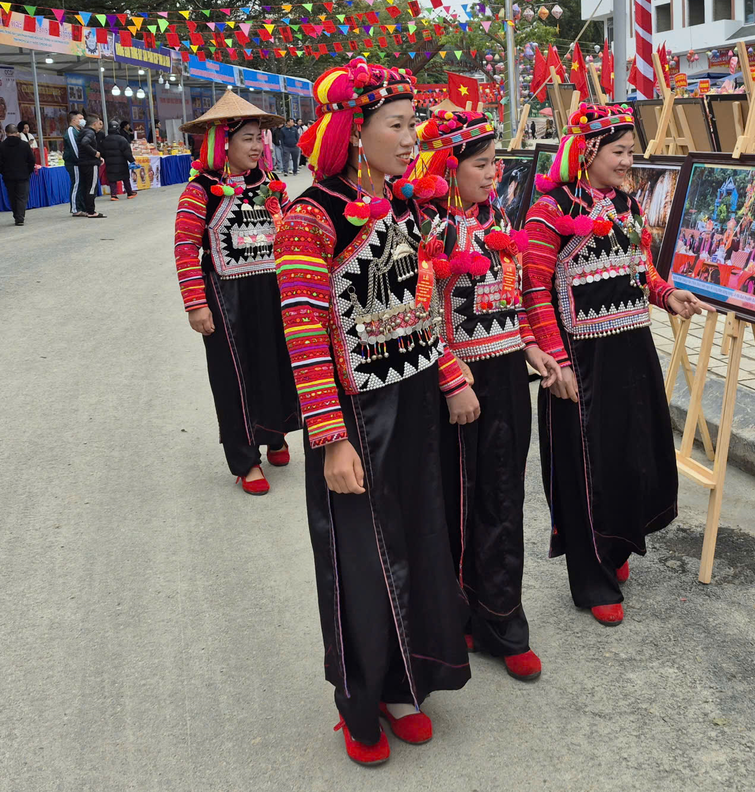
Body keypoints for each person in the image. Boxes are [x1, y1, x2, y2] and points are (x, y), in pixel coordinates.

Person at [273, 57, 471, 766]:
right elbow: (302, 335)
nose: (413, 136)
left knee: (419, 540)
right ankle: (361, 699)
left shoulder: (408, 208)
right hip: (356, 416)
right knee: (361, 559)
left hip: (414, 401)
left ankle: (406, 684)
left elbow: (423, 307)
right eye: (398, 124)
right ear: (356, 133)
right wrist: (329, 438)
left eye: (413, 122)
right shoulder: (308, 218)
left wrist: (450, 376)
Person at [522, 104, 706, 627]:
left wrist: (668, 295)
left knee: (631, 456)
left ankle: (618, 546)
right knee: (588, 469)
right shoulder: (548, 211)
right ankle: (591, 576)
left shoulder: (626, 204)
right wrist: (557, 363)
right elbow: (533, 289)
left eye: (631, 152)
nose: (629, 162)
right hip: (582, 360)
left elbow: (639, 267)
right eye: (619, 152)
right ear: (587, 153)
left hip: (631, 348)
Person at [409, 109, 562, 683]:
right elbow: (421, 315)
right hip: (456, 388)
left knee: (502, 501)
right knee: (455, 503)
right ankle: (460, 618)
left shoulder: (497, 216)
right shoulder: (424, 229)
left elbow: (513, 295)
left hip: (503, 380)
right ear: (450, 167)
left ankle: (501, 618)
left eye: (496, 162)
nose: (495, 172)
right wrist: (451, 377)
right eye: (482, 164)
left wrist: (531, 346)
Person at [173, 89, 299, 495]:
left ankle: (276, 433)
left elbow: (295, 236)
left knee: (277, 365)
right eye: (248, 138)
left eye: (260, 137)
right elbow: (185, 248)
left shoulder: (273, 186)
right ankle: (245, 459)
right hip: (226, 300)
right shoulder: (199, 192)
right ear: (223, 143)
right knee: (235, 377)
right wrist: (196, 304)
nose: (258, 145)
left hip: (274, 292)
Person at [0, 124, 36, 226]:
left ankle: (16, 215)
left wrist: (4, 172)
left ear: (6, 133)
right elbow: (31, 160)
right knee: (22, 197)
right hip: (23, 174)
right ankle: (20, 217)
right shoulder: (24, 145)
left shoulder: (1, 146)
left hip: (8, 176)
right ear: (17, 132)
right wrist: (28, 171)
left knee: (12, 196)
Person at [75, 114, 105, 219]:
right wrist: (95, 153)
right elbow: (85, 143)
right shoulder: (90, 132)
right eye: (98, 123)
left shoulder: (82, 132)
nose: (99, 125)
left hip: (83, 163)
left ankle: (86, 209)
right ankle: (91, 211)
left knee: (85, 186)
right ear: (94, 123)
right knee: (92, 187)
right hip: (90, 163)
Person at [100, 122, 135, 200]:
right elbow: (127, 152)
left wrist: (107, 158)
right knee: (125, 178)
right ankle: (129, 193)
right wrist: (132, 160)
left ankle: (113, 195)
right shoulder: (122, 139)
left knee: (112, 179)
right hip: (121, 162)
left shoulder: (105, 140)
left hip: (110, 163)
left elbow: (102, 152)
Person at [62, 111, 87, 216]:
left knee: (81, 185)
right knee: (76, 184)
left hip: (79, 163)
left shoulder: (79, 130)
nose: (82, 120)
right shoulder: (71, 131)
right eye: (80, 118)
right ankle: (75, 209)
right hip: (74, 163)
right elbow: (74, 148)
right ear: (73, 120)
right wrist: (80, 161)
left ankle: (81, 207)